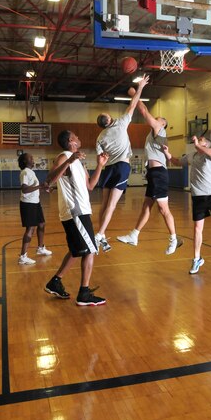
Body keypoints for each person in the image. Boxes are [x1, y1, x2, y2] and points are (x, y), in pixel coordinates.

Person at [44, 130, 109, 306]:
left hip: (81, 211)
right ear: (71, 140)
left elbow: (90, 186)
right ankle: (84, 293)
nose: (79, 138)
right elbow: (50, 179)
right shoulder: (63, 156)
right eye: (77, 136)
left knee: (76, 250)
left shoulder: (79, 161)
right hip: (75, 212)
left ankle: (55, 282)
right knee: (90, 250)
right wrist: (70, 161)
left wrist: (100, 165)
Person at [117, 93, 183, 254]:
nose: (157, 118)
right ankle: (134, 235)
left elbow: (145, 111)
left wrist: (136, 94)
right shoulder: (153, 135)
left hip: (159, 173)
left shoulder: (159, 130)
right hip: (154, 173)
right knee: (146, 206)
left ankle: (174, 239)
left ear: (163, 124)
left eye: (160, 118)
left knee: (163, 209)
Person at [165, 135, 211, 274]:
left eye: (202, 140)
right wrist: (167, 153)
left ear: (206, 144)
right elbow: (178, 161)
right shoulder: (191, 155)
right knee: (197, 228)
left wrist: (199, 145)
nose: (198, 140)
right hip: (198, 196)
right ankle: (197, 258)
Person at [94, 75, 149, 252]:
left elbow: (100, 158)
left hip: (108, 169)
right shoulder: (121, 123)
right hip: (122, 167)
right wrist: (140, 87)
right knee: (112, 205)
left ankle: (99, 231)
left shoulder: (100, 137)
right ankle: (100, 234)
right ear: (109, 120)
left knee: (104, 204)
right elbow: (133, 104)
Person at [18, 152, 52, 265]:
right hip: (28, 204)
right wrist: (40, 186)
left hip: (35, 203)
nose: (33, 159)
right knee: (30, 229)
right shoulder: (25, 173)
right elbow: (25, 189)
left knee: (41, 224)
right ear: (24, 161)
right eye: (30, 157)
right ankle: (23, 256)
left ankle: (40, 248)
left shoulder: (31, 172)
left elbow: (33, 188)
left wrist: (44, 189)